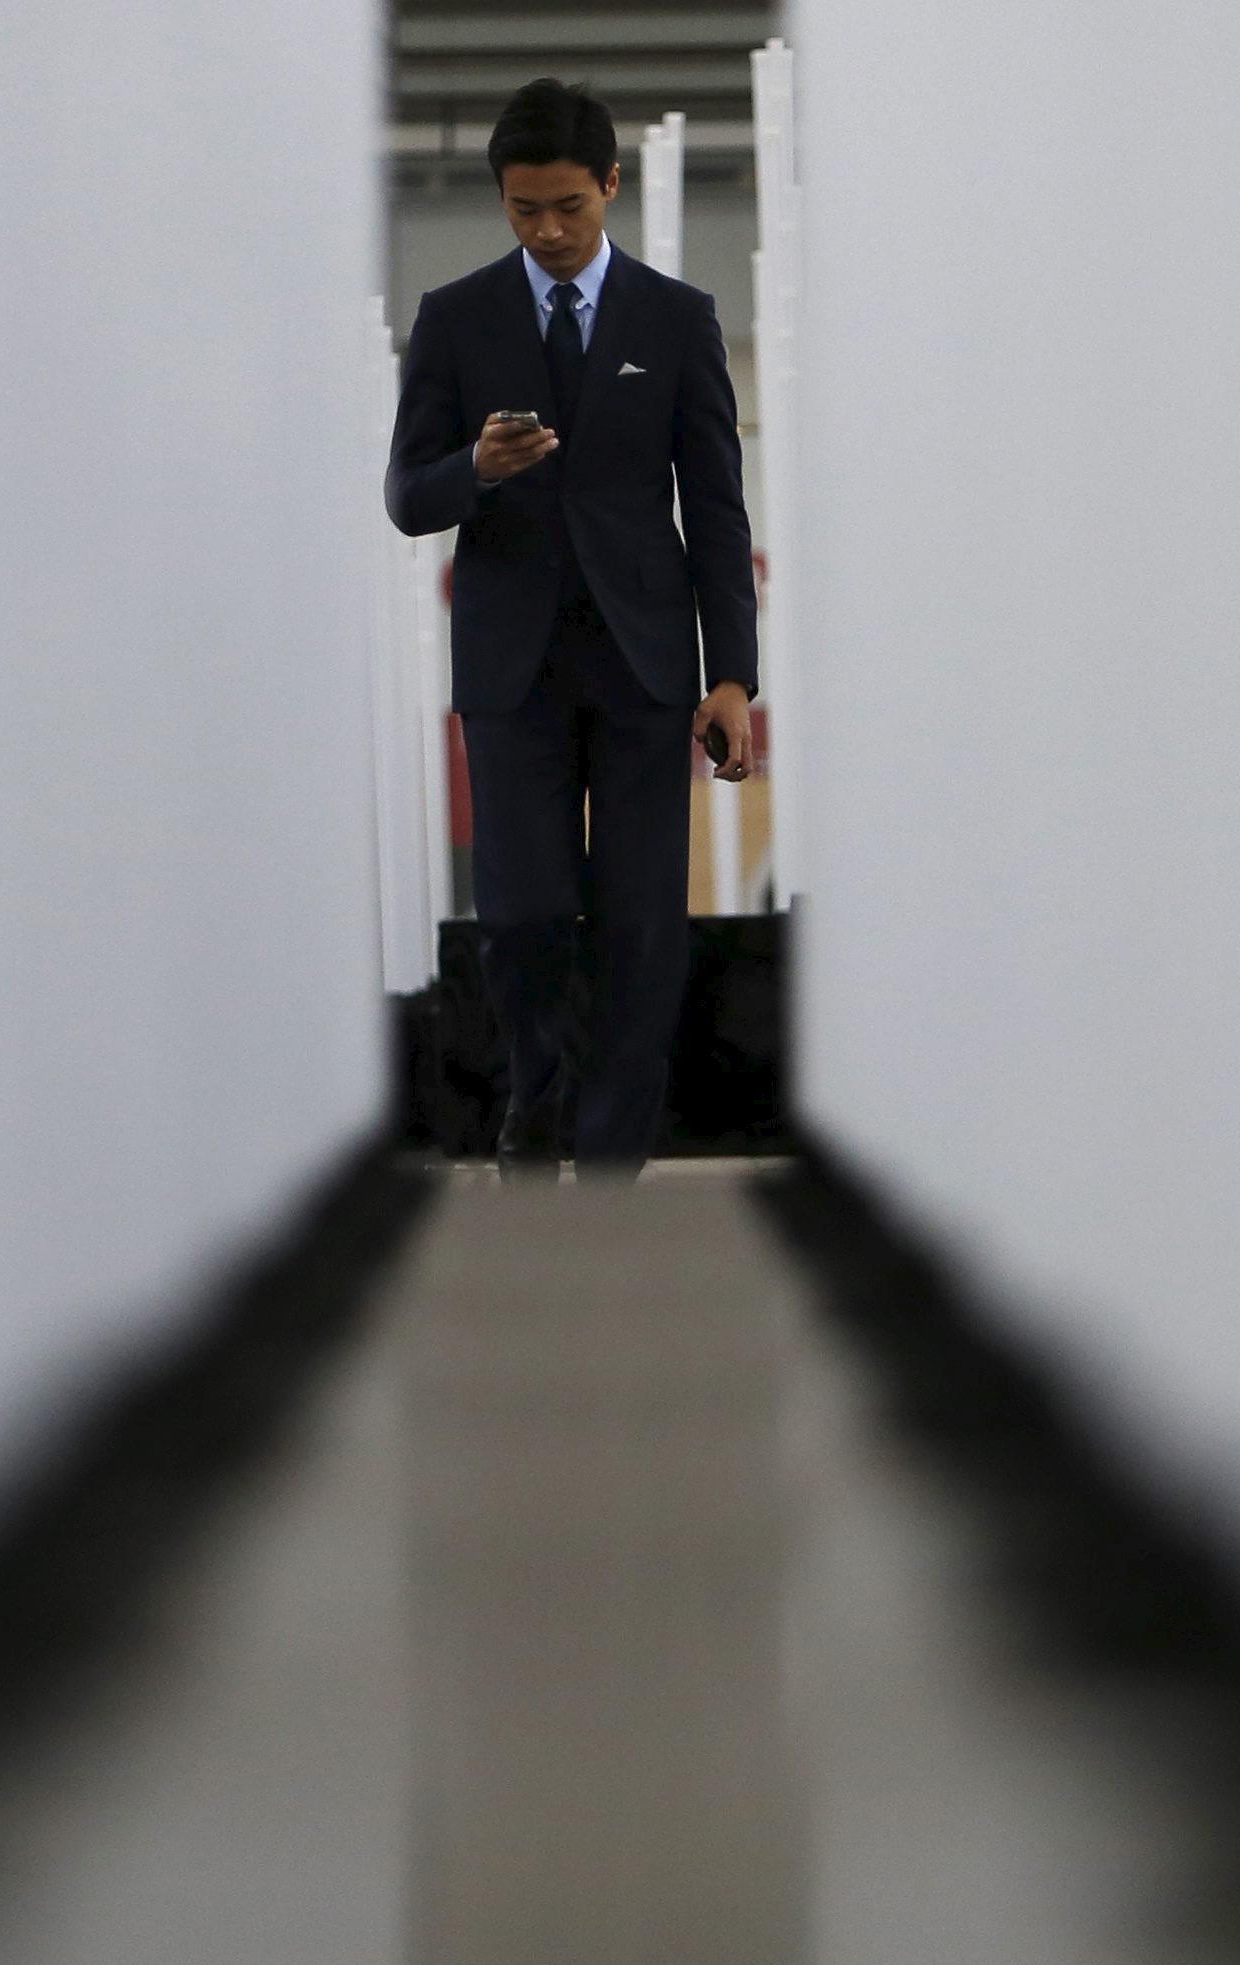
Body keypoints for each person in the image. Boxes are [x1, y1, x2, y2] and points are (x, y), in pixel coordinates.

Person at [386, 77, 761, 1184]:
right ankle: (536, 1111)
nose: (546, 231)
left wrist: (731, 676)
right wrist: (476, 471)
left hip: (646, 666)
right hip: (511, 669)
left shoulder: (677, 318)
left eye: (566, 207)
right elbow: (408, 497)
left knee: (641, 925)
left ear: (609, 185)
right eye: (521, 210)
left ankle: (608, 1157)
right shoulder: (454, 319)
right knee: (526, 913)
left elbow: (717, 507)